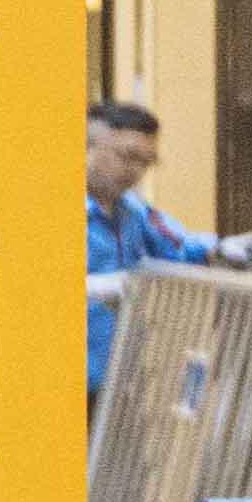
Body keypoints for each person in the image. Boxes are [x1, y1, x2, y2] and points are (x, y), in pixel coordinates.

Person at [85, 95, 212, 390]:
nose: (136, 171)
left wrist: (223, 249)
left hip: (118, 376)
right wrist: (96, 286)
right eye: (127, 157)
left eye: (146, 162)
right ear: (87, 148)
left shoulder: (133, 211)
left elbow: (179, 246)